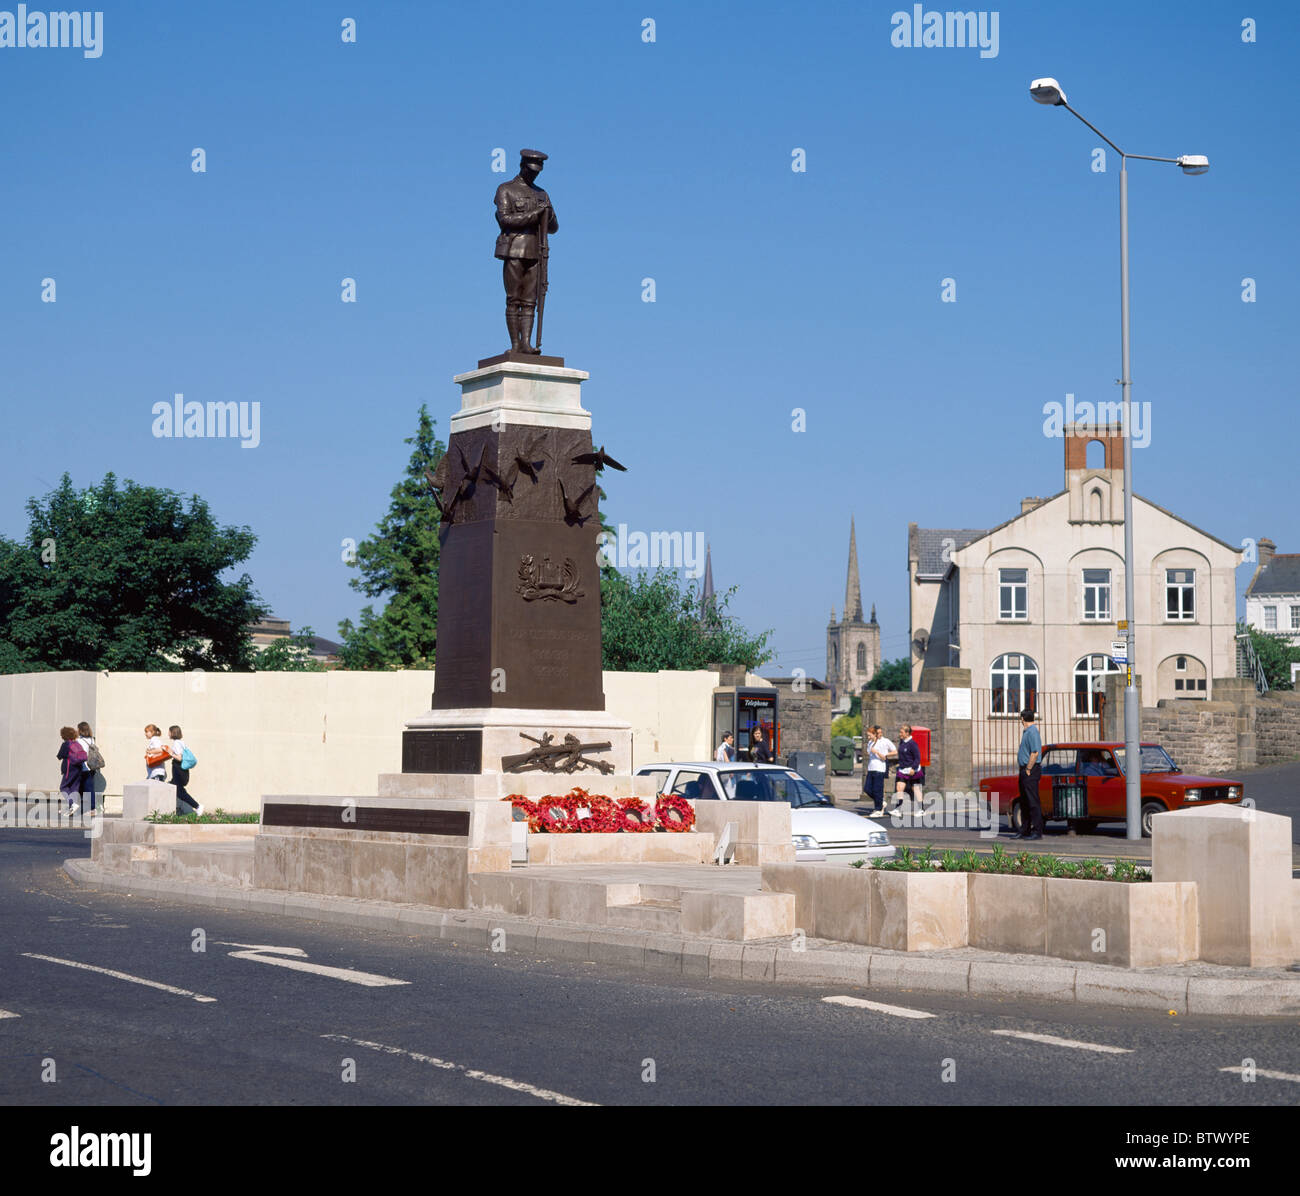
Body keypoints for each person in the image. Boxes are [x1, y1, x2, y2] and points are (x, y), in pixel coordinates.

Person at [494, 148, 558, 355]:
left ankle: (527, 344)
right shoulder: (506, 189)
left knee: (530, 301)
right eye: (531, 171)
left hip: (535, 253)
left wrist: (547, 214)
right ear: (522, 167)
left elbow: (554, 227)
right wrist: (535, 215)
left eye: (537, 172)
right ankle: (515, 345)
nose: (534, 175)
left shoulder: (542, 194)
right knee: (513, 299)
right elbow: (505, 220)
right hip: (513, 250)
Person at [1015, 708, 1043, 839]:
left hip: (1030, 770)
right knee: (1024, 801)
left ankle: (1037, 831)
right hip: (1025, 769)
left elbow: (1035, 752)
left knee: (1032, 801)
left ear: (1022, 719)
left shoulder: (1032, 732)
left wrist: (1028, 769)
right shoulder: (1027, 731)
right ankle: (1024, 830)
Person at [167, 724, 202, 815]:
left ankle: (198, 806)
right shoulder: (181, 742)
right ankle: (180, 808)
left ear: (173, 733)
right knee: (175, 788)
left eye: (169, 732)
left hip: (178, 769)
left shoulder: (176, 743)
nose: (168, 734)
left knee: (179, 791)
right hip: (182, 770)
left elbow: (179, 758)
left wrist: (171, 753)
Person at [861, 724, 895, 816]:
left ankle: (878, 810)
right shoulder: (870, 743)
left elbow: (884, 758)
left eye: (869, 735)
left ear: (874, 734)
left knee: (877, 790)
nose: (868, 737)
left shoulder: (882, 742)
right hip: (871, 768)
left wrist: (877, 752)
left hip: (879, 769)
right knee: (867, 789)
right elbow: (869, 753)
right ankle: (881, 802)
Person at [892, 725, 925, 813]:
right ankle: (898, 809)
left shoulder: (912, 744)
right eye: (900, 732)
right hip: (902, 770)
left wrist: (913, 768)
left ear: (907, 733)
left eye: (901, 732)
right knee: (899, 788)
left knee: (916, 790)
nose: (900, 734)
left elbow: (917, 758)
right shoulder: (902, 742)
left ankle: (921, 809)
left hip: (913, 770)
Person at [57, 726, 86, 814]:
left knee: (63, 787)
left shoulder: (66, 744)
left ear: (64, 735)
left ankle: (72, 804)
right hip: (79, 768)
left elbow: (59, 756)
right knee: (74, 788)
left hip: (69, 768)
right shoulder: (77, 744)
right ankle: (72, 809)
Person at [76, 721, 100, 814]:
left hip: (84, 767)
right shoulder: (91, 739)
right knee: (87, 788)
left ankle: (92, 808)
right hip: (92, 767)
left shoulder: (79, 741)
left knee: (86, 788)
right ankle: (87, 807)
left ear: (80, 730)